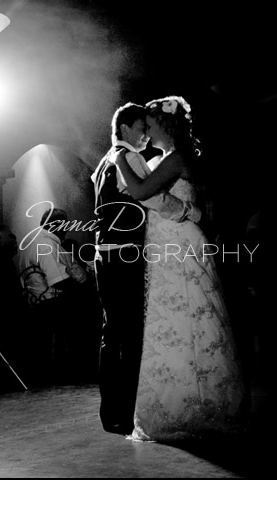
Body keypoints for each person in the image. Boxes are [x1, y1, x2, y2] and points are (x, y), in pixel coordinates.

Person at [113, 96, 247, 442]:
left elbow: (141, 191)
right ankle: (179, 400)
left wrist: (119, 157)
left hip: (180, 245)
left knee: (190, 315)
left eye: (150, 124)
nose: (147, 130)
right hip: (166, 246)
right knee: (172, 319)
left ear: (166, 125)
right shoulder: (163, 159)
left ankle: (199, 403)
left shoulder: (177, 158)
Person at [92, 102, 201, 435]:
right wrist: (189, 212)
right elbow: (152, 199)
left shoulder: (105, 160)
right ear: (126, 128)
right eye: (142, 128)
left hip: (104, 255)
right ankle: (125, 410)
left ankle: (111, 411)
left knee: (112, 334)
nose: (145, 136)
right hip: (125, 256)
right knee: (129, 336)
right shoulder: (130, 158)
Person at [18, 208, 86, 383]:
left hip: (38, 302)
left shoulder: (34, 240)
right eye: (65, 226)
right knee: (86, 316)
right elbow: (58, 280)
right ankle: (78, 369)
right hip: (51, 303)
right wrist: (83, 290)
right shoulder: (46, 245)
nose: (67, 231)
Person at [0, 225, 26, 367]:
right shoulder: (0, 259)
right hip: (3, 311)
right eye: (10, 236)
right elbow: (6, 285)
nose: (13, 240)